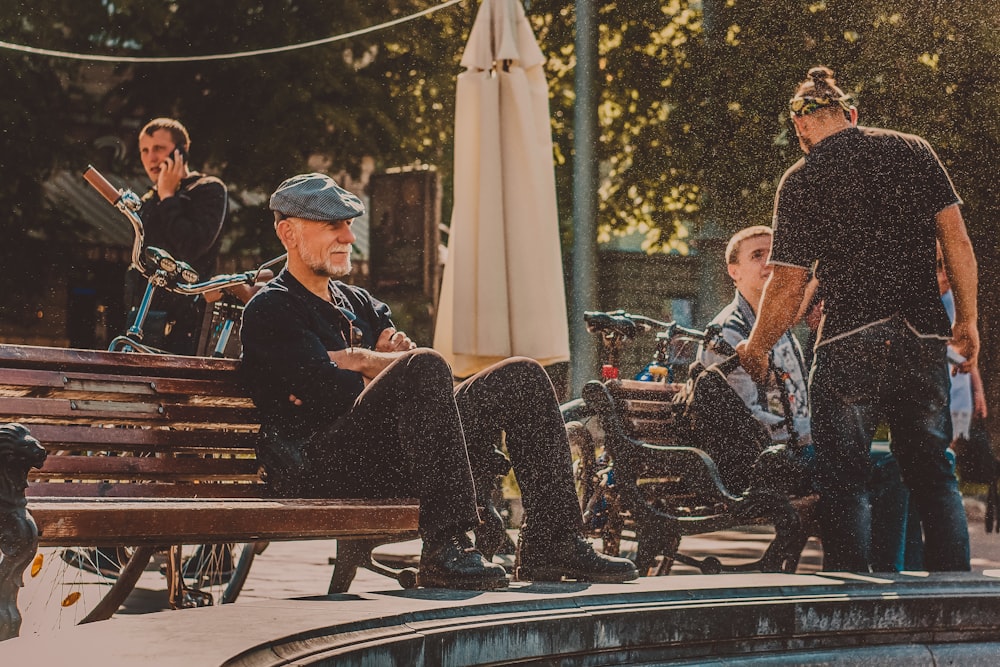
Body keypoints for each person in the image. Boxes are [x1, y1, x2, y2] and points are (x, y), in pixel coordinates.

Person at [239, 172, 637, 590]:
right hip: (321, 466)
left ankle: (551, 543)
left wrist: (358, 359)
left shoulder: (359, 303)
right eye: (332, 226)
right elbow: (326, 396)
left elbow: (418, 387)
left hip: (393, 453)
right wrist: (387, 366)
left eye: (348, 224)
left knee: (524, 376)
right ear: (288, 233)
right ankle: (445, 548)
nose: (348, 237)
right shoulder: (272, 310)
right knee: (425, 365)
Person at [737, 66, 979, 573]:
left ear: (801, 127)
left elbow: (788, 282)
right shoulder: (915, 149)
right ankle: (954, 596)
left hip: (851, 337)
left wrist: (757, 346)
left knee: (845, 477)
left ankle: (855, 597)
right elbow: (957, 242)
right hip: (922, 334)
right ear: (851, 114)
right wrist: (967, 322)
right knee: (934, 472)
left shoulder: (802, 178)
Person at [699, 226, 811, 448]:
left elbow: (801, 396)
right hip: (764, 461)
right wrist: (815, 433)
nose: (769, 262)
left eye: (774, 255)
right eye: (757, 255)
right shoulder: (728, 332)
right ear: (734, 272)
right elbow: (748, 421)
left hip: (799, 445)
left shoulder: (778, 325)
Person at [125, 117, 228, 355]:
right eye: (145, 150)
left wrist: (169, 197)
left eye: (159, 149)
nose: (151, 157)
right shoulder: (148, 199)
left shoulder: (208, 189)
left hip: (186, 320)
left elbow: (191, 246)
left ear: (182, 151)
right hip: (142, 313)